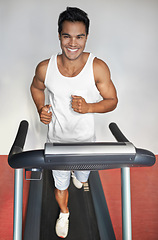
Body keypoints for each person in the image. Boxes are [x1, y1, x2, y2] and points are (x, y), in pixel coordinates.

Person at [30, 7, 118, 238]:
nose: (73, 43)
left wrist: (89, 107)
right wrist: (41, 108)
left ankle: (77, 176)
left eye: (79, 36)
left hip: (85, 143)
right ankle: (65, 212)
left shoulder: (97, 67)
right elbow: (36, 87)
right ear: (59, 35)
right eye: (67, 36)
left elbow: (112, 101)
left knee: (81, 178)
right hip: (57, 143)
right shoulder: (45, 68)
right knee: (61, 187)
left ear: (86, 37)